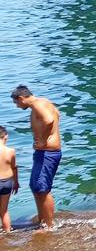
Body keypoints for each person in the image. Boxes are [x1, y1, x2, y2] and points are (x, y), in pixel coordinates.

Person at [10, 86, 61, 230]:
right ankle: (42, 220)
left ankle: (49, 226)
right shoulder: (44, 102)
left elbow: (49, 120)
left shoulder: (37, 105)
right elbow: (57, 114)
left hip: (47, 153)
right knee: (36, 186)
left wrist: (44, 139)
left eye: (16, 103)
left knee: (42, 189)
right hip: (45, 153)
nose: (17, 106)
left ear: (21, 98)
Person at [0, 125, 17, 232]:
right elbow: (14, 168)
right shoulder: (11, 151)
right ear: (5, 136)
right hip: (7, 183)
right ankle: (7, 232)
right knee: (4, 210)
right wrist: (16, 182)